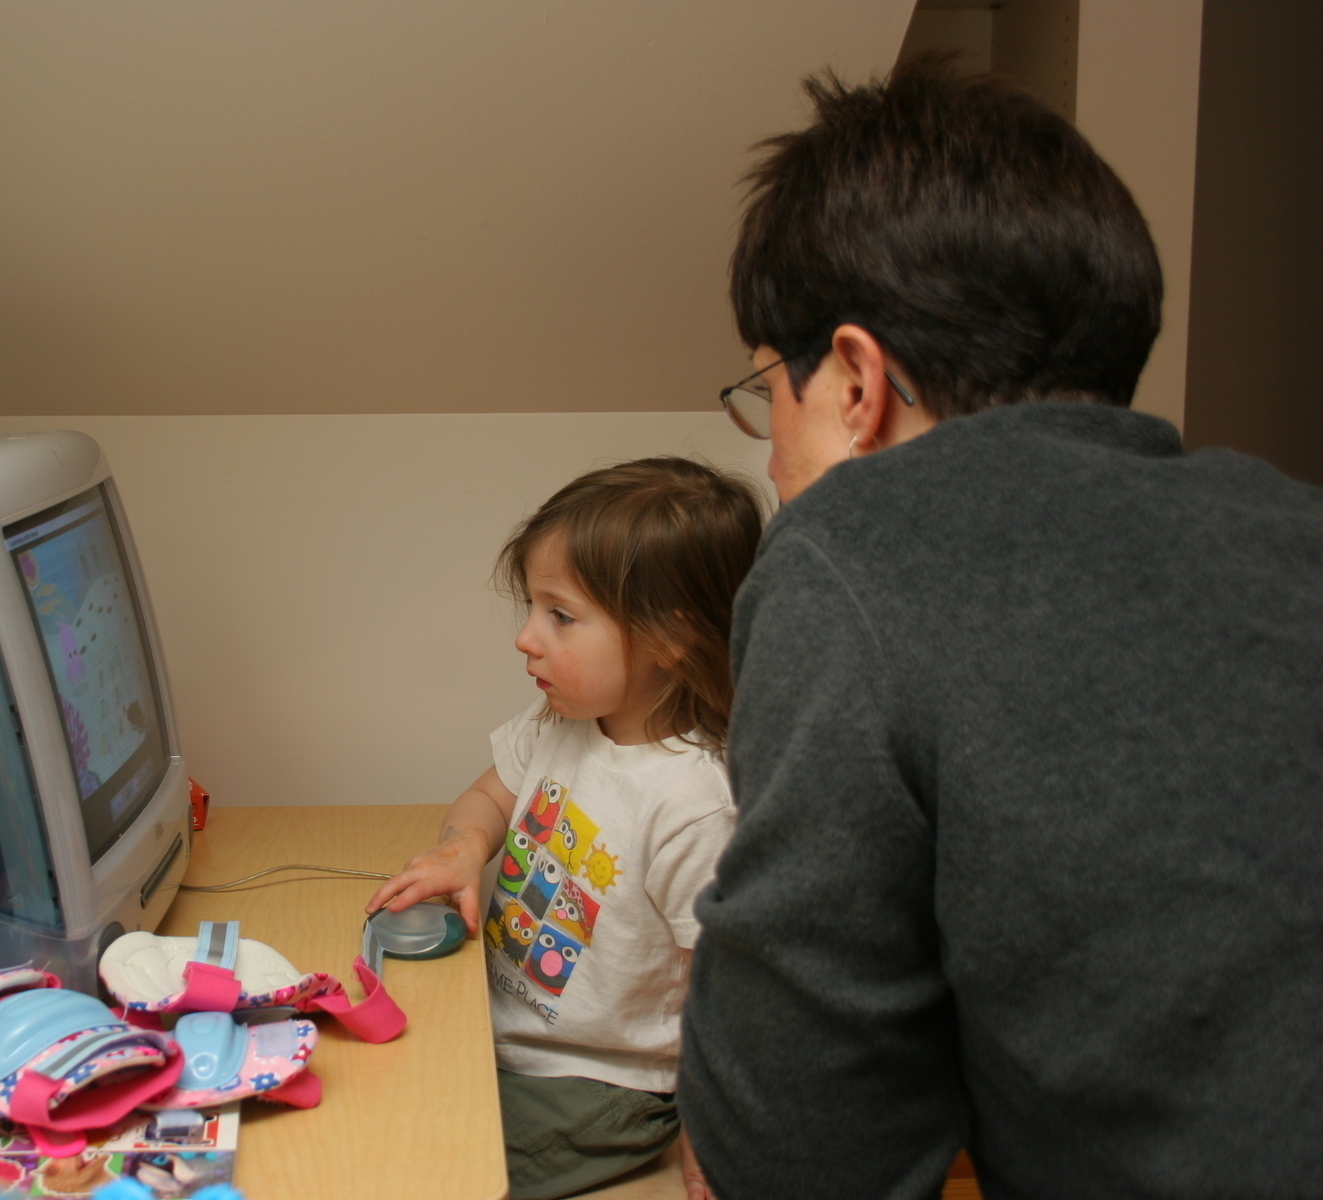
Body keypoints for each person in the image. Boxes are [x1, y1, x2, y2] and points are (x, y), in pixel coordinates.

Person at [679, 59, 1323, 1198]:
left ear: (855, 381)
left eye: (767, 392)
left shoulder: (850, 550)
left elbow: (793, 1154)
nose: (770, 453)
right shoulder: (1291, 518)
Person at [367, 456, 761, 1200]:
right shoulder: (564, 722)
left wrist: (713, 1136)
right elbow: (489, 794)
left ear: (668, 639)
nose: (526, 638)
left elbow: (726, 995)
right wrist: (465, 846)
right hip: (501, 1029)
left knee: (430, 1163)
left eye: (560, 616)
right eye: (531, 608)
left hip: (600, 1084)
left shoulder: (695, 804)